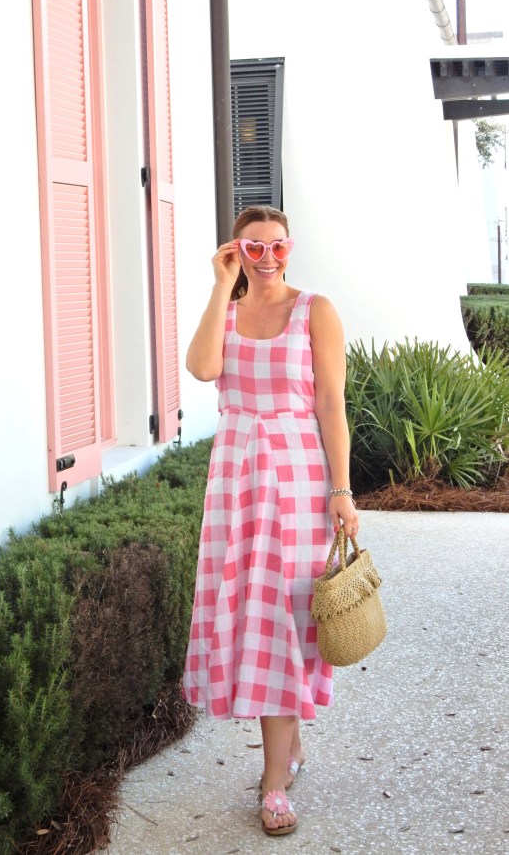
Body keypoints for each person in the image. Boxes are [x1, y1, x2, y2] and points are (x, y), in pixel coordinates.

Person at [181, 205, 358, 836]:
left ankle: (274, 780)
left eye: (276, 247)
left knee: (283, 613)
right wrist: (216, 286)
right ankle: (289, 750)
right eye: (251, 249)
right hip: (236, 479)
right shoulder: (226, 312)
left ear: (291, 248)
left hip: (298, 475)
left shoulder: (316, 311)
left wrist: (342, 489)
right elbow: (202, 368)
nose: (266, 258)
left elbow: (332, 405)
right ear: (235, 253)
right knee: (253, 614)